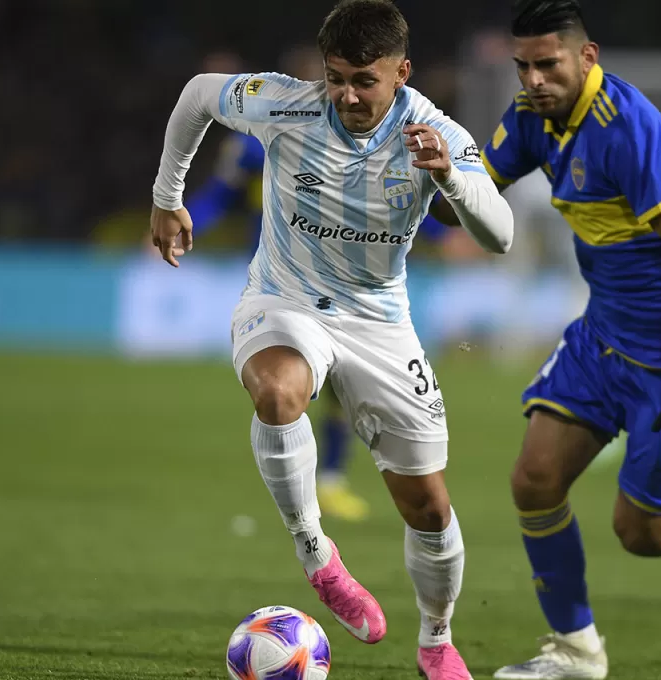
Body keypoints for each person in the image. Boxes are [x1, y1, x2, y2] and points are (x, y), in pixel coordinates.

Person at [433, 2, 661, 677]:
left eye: (548, 64)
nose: (534, 79)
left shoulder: (628, 127)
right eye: (523, 66)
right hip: (603, 334)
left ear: (587, 57)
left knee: (644, 533)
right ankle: (577, 650)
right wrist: (442, 177)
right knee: (535, 480)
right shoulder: (528, 118)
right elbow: (472, 195)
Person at [148, 1, 514, 677]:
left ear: (400, 73)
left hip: (379, 321)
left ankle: (437, 639)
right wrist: (168, 194)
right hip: (284, 300)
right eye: (336, 76)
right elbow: (199, 94)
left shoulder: (435, 131)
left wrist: (451, 181)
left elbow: (501, 235)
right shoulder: (286, 105)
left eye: (363, 81)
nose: (346, 93)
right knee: (280, 392)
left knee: (428, 506)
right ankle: (318, 557)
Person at [183, 46, 383, 522]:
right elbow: (221, 194)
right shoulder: (256, 140)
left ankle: (329, 479)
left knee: (344, 383)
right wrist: (185, 217)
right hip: (281, 282)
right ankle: (301, 480)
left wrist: (446, 230)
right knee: (285, 380)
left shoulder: (359, 139)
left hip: (346, 279)